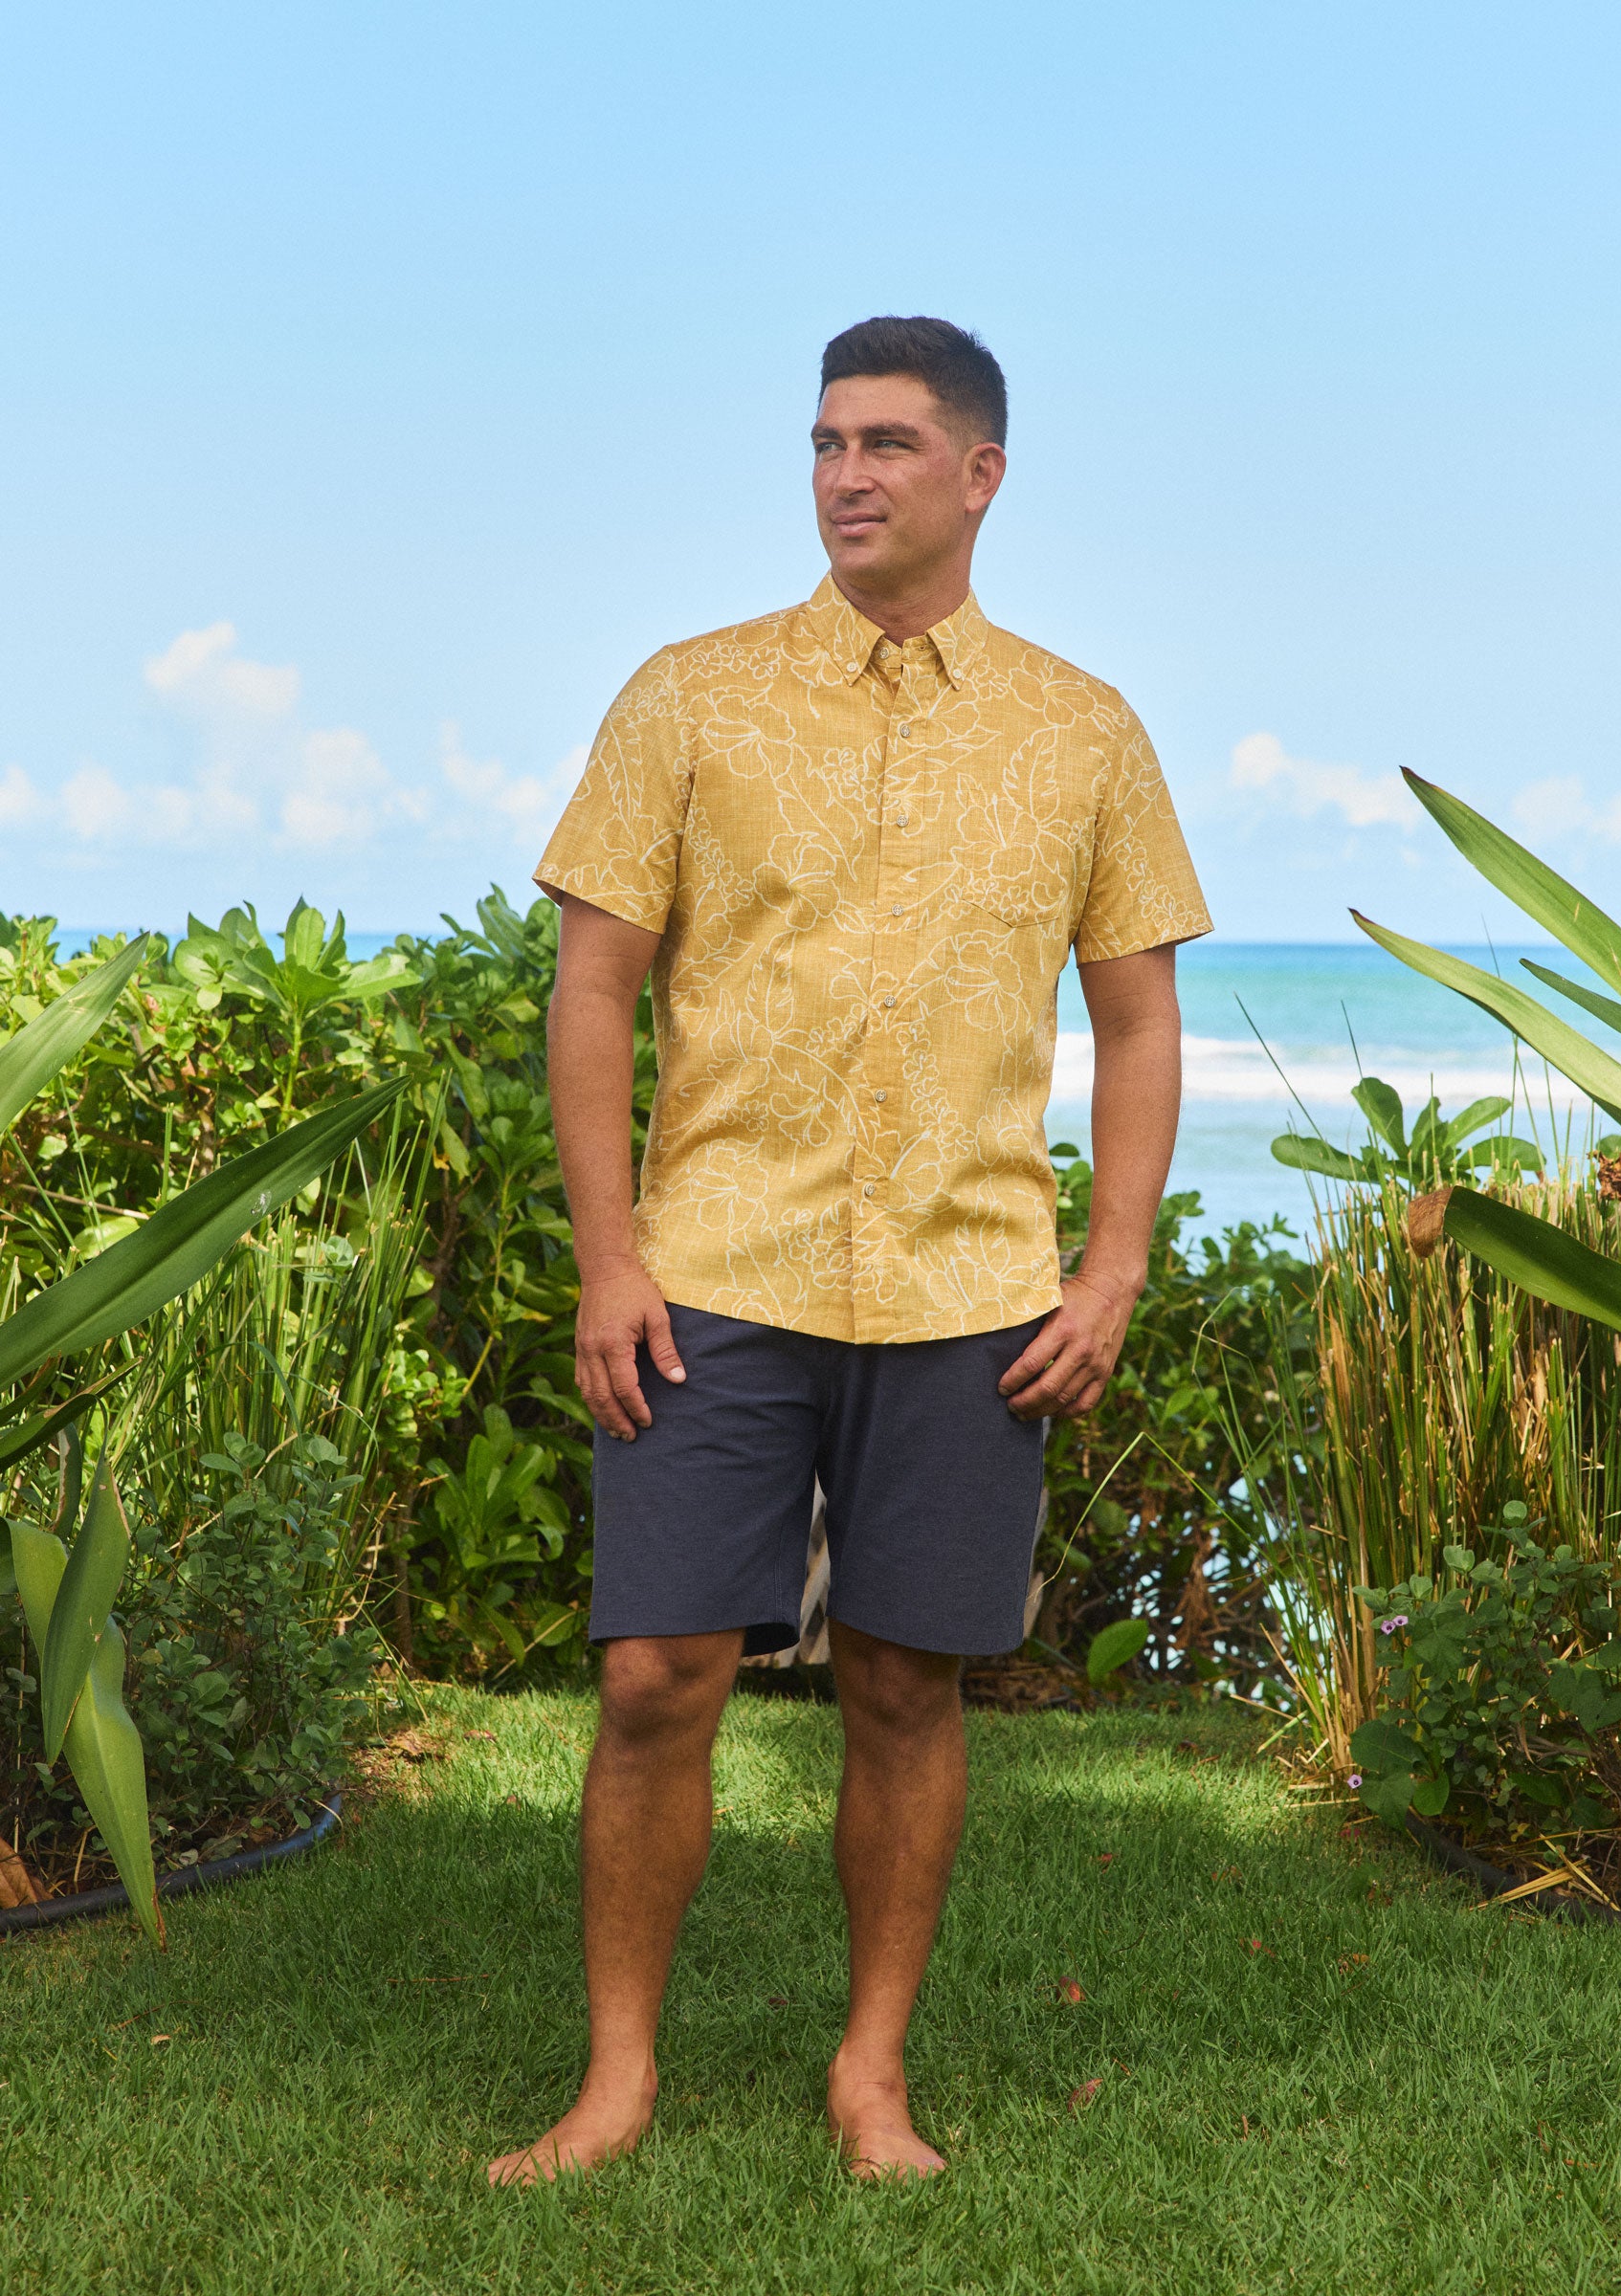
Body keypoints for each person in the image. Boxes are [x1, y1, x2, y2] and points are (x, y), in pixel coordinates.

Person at [488, 315, 1210, 2188]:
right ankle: (616, 2080)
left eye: (886, 443)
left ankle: (869, 2072)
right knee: (655, 1680)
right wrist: (609, 1258)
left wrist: (1111, 1270)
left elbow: (1138, 1021)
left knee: (905, 1685)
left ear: (980, 474)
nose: (845, 476)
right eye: (824, 443)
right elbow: (594, 989)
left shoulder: (1084, 731)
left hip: (972, 1290)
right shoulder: (689, 698)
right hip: (715, 1273)